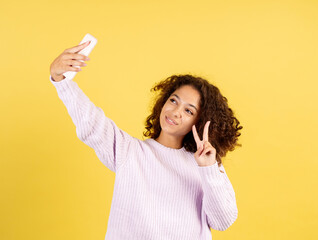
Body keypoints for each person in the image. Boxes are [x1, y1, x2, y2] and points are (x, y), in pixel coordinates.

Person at [49, 41, 243, 240]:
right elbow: (92, 123)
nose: (175, 112)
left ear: (200, 121)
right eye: (173, 100)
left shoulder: (207, 165)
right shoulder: (129, 151)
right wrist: (61, 80)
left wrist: (208, 168)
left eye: (188, 110)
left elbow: (222, 221)